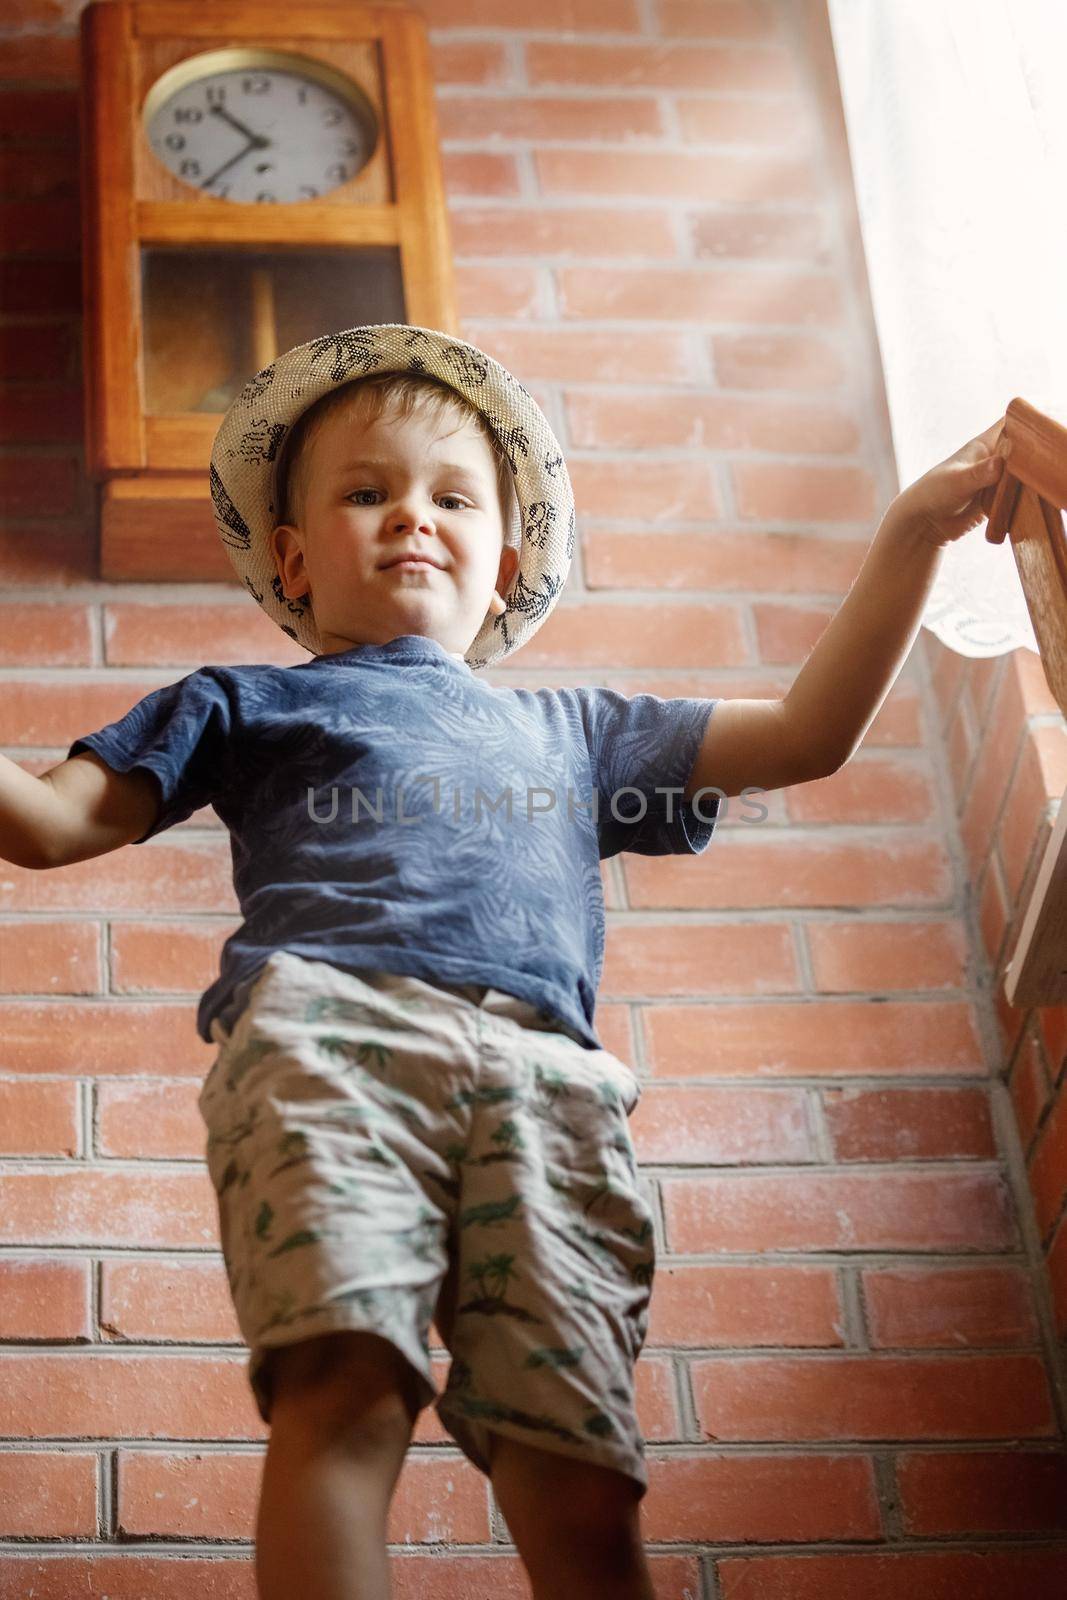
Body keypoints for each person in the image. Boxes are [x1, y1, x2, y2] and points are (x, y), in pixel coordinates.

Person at [0, 323, 1009, 1600]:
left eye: (449, 495)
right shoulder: (245, 700)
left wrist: (912, 532)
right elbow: (46, 825)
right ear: (298, 559)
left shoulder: (581, 732)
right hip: (331, 1041)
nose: (409, 516)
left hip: (551, 1083)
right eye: (364, 492)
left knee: (576, 1474)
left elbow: (808, 734)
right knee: (347, 1393)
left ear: (506, 562)